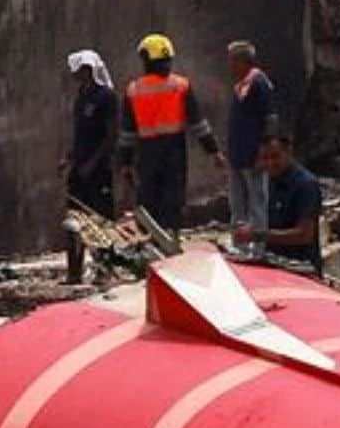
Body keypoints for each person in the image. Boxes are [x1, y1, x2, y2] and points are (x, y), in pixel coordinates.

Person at [118, 34, 225, 233]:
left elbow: (127, 133)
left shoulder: (133, 90)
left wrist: (125, 163)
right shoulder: (181, 85)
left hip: (147, 153)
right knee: (173, 202)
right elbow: (198, 124)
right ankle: (171, 239)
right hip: (174, 151)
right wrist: (213, 151)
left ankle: (150, 243)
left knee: (148, 202)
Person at [61, 50, 119, 283]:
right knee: (74, 220)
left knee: (101, 220)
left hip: (99, 169)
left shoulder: (106, 97)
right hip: (79, 169)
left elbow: (111, 135)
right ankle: (74, 271)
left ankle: (104, 269)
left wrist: (93, 163)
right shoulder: (80, 98)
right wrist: (69, 159)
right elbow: (80, 136)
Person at [234, 132, 322, 275]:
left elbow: (305, 235)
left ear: (288, 153)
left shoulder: (306, 185)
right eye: (265, 158)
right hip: (274, 263)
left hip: (300, 267)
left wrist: (257, 235)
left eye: (275, 157)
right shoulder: (269, 181)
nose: (270, 163)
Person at [225, 40, 278, 253]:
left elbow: (270, 120)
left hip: (253, 155)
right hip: (237, 155)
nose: (229, 66)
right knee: (237, 205)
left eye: (232, 61)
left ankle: (259, 248)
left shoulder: (259, 83)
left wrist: (263, 152)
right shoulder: (241, 86)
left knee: (257, 204)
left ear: (243, 61)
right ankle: (240, 247)